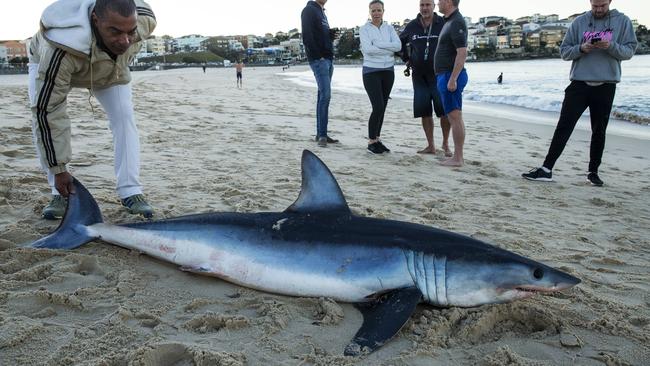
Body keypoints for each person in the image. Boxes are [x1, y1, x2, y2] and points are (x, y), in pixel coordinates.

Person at [28, 0, 156, 219]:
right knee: (43, 113)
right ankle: (58, 193)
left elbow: (127, 33)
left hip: (110, 69)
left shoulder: (145, 21)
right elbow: (48, 112)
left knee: (125, 118)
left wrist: (120, 39)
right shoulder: (60, 49)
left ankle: (131, 191)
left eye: (130, 32)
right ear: (96, 20)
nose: (125, 40)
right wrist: (58, 168)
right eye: (115, 31)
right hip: (64, 61)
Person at [522, 0, 637, 186]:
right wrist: (581, 48)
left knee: (599, 131)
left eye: (603, 6)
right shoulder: (579, 22)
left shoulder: (622, 21)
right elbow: (564, 52)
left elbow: (629, 51)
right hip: (579, 83)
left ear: (610, 2)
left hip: (606, 84)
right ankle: (546, 169)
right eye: (595, 6)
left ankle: (593, 172)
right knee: (564, 126)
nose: (599, 10)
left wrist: (610, 46)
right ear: (590, 2)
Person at [399, 0, 451, 156]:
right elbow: (399, 44)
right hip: (419, 75)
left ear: (434, 6)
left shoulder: (443, 22)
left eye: (428, 5)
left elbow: (454, 43)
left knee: (444, 112)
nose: (425, 8)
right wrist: (406, 59)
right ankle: (431, 145)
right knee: (425, 112)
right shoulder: (412, 25)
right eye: (422, 5)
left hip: (439, 74)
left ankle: (446, 144)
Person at [360, 0, 402, 154]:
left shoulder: (390, 28)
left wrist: (378, 44)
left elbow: (398, 46)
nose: (376, 13)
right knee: (377, 106)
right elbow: (368, 50)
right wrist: (387, 48)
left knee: (383, 107)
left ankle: (377, 139)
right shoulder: (364, 29)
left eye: (379, 10)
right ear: (369, 12)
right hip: (371, 71)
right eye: (373, 10)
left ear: (383, 11)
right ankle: (371, 141)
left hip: (388, 71)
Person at [434, 0, 469, 167]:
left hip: (450, 75)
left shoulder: (457, 22)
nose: (437, 3)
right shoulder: (449, 21)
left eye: (440, 0)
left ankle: (458, 158)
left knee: (454, 117)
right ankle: (457, 156)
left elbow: (462, 52)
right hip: (445, 74)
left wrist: (453, 78)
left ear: (448, 2)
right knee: (454, 116)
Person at [301, 0, 339, 147]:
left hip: (328, 59)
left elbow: (320, 35)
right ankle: (322, 135)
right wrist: (318, 56)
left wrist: (330, 34)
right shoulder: (309, 10)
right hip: (319, 60)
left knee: (322, 96)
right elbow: (307, 36)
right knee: (325, 95)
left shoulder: (322, 12)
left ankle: (320, 133)